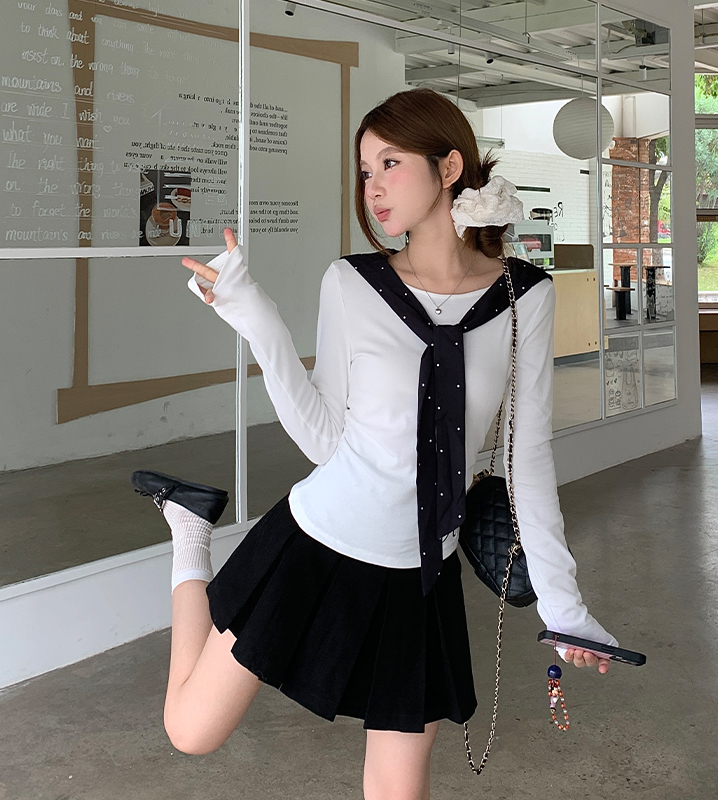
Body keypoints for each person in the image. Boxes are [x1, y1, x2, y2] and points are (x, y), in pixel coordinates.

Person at [132, 87, 616, 800]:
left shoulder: (526, 297)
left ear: (448, 167)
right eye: (365, 170)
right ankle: (190, 529)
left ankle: (190, 520)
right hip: (317, 543)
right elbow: (324, 439)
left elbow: (527, 459)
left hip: (423, 575)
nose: (373, 186)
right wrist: (254, 317)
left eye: (390, 163)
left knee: (398, 788)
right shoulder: (353, 284)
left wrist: (562, 604)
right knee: (190, 731)